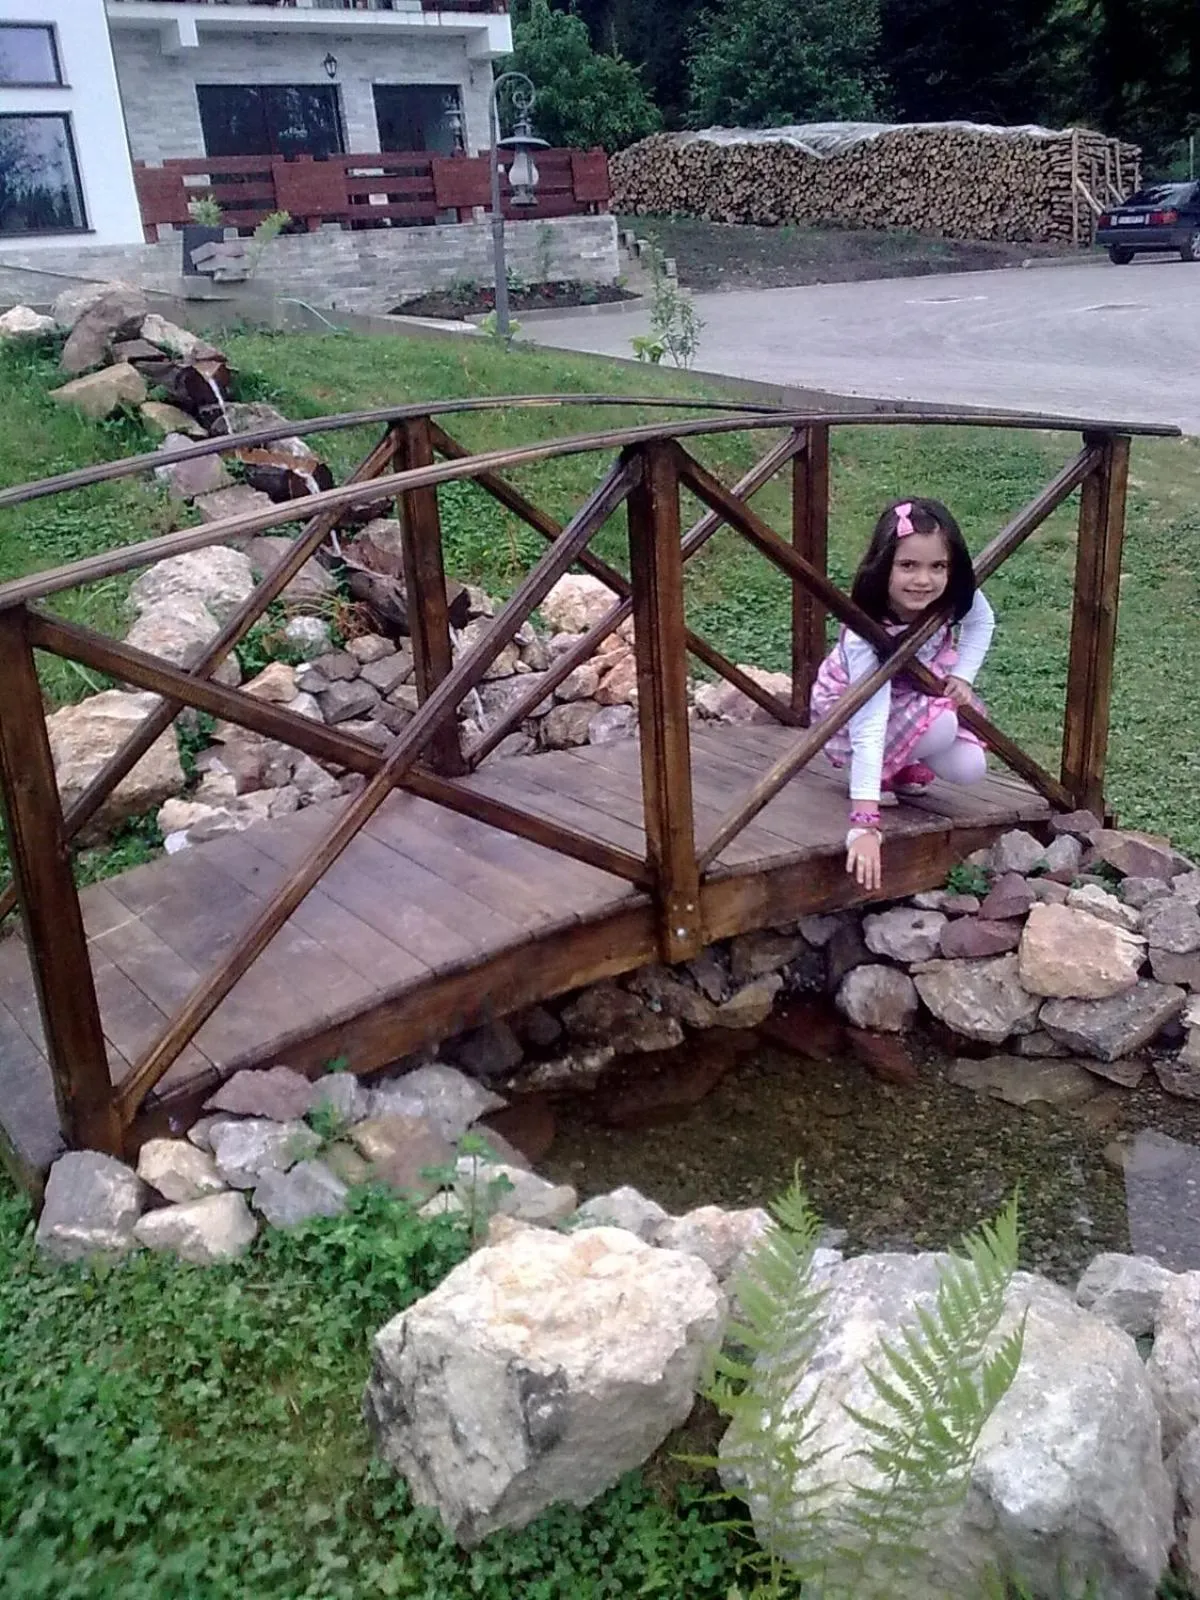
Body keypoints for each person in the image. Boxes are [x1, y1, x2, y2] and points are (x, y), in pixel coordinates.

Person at [810, 496, 994, 894]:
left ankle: (902, 765)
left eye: (937, 566)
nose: (923, 580)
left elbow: (982, 620)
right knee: (942, 724)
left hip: (918, 696)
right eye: (908, 565)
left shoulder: (951, 596)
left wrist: (964, 675)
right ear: (883, 565)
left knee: (970, 767)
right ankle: (879, 777)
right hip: (852, 709)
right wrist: (864, 824)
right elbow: (868, 723)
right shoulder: (866, 630)